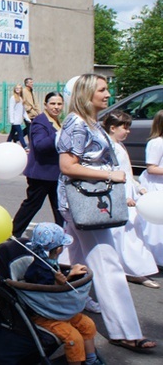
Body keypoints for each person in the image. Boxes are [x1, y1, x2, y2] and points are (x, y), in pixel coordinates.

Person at [57, 73, 156, 352]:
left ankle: (53, 310)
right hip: (84, 204)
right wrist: (111, 176)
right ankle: (125, 331)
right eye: (102, 89)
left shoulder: (90, 123)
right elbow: (67, 166)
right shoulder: (77, 124)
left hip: (84, 203)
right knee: (109, 265)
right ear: (87, 94)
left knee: (73, 262)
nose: (108, 94)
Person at [24, 223, 102, 365]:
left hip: (60, 310)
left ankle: (91, 359)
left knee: (88, 324)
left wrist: (69, 274)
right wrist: (67, 277)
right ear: (59, 249)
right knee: (74, 338)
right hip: (45, 315)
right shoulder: (39, 269)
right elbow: (45, 292)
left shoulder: (49, 263)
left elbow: (56, 279)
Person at [103, 111, 159, 288]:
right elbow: (111, 174)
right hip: (119, 196)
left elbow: (127, 172)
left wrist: (138, 187)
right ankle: (134, 271)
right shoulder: (108, 147)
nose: (128, 132)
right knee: (128, 234)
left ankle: (133, 269)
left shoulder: (119, 145)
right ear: (113, 128)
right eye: (124, 128)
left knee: (131, 233)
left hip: (128, 194)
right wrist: (124, 196)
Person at [12, 92, 65, 237]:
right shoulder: (40, 122)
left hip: (56, 174)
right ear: (45, 105)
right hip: (41, 174)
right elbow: (40, 145)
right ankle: (14, 233)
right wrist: (59, 134)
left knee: (60, 208)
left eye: (59, 104)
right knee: (32, 205)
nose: (56, 107)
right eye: (53, 104)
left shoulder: (58, 121)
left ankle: (62, 236)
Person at [140, 109, 163, 266]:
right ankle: (156, 258)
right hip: (157, 186)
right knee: (156, 227)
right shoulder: (156, 143)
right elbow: (152, 167)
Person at [6, 84, 29, 150]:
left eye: (19, 88)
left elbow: (23, 111)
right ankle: (24, 146)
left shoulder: (21, 99)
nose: (18, 89)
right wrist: (12, 119)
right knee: (20, 133)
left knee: (12, 134)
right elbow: (11, 109)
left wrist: (27, 118)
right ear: (14, 89)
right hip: (15, 121)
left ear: (21, 89)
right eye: (16, 88)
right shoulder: (13, 98)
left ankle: (7, 144)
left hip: (19, 120)